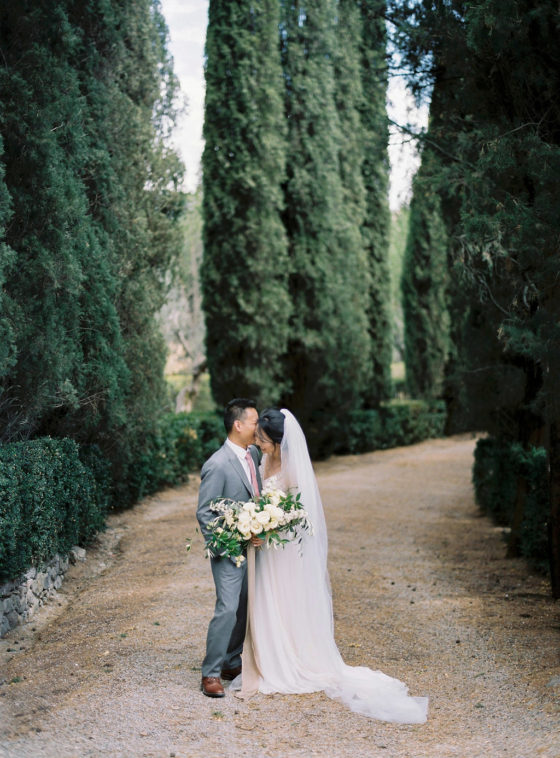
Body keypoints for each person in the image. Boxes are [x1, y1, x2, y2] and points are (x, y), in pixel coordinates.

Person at [237, 407, 428, 724]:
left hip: (281, 548)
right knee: (266, 600)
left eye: (264, 440)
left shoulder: (294, 470)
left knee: (284, 600)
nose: (259, 443)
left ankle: (292, 659)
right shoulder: (263, 460)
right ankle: (266, 658)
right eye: (258, 437)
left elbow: (297, 512)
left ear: (279, 442)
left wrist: (271, 523)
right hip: (265, 547)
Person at [196, 398, 262, 698]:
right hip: (228, 550)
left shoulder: (254, 454)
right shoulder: (217, 464)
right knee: (228, 608)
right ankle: (210, 673)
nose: (257, 427)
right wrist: (224, 544)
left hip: (253, 548)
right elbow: (205, 512)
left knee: (246, 606)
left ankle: (230, 661)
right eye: (254, 422)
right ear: (238, 425)